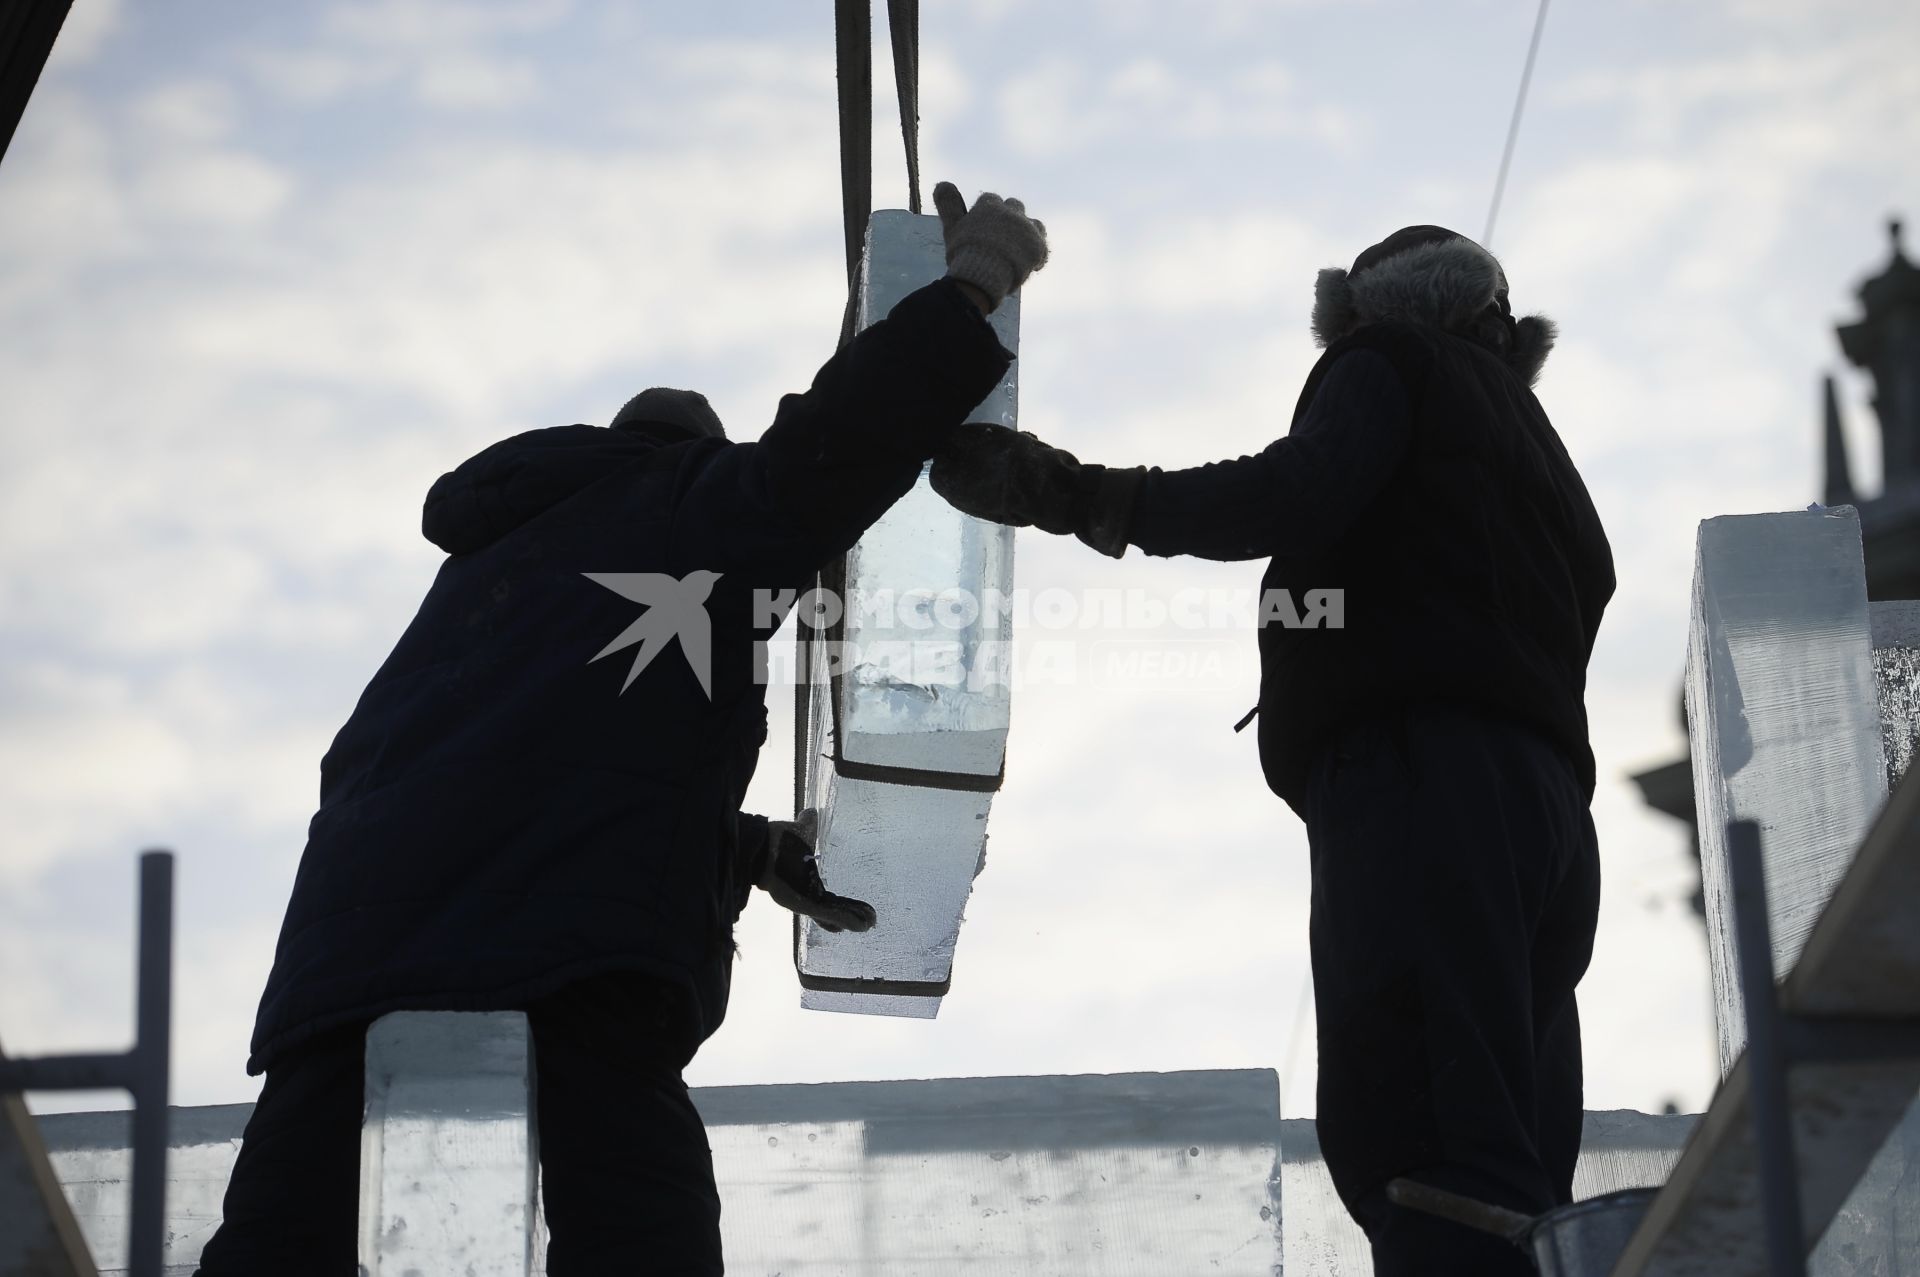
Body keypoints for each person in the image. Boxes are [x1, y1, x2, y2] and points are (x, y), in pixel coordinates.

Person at [193, 182, 1048, 1277]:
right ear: (690, 455)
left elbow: (534, 767)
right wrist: (970, 286)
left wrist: (741, 850)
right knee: (640, 1232)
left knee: (281, 1240)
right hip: (573, 959)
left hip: (354, 957)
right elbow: (825, 456)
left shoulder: (483, 573)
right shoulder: (677, 506)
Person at [931, 225, 1615, 1277]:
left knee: (1421, 1132)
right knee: (1510, 1148)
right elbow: (1414, 591)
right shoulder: (1548, 468)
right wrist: (1307, 623)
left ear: (1361, 315)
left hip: (1423, 783)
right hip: (1548, 818)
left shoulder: (1386, 362)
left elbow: (1295, 489)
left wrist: (1072, 493)